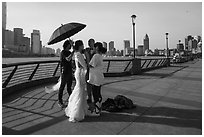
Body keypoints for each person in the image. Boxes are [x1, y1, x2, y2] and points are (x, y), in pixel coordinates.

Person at [65, 40, 88, 122]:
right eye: (82, 45)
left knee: (79, 90)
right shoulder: (79, 54)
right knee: (79, 91)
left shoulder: (77, 54)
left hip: (79, 73)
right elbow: (84, 65)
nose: (83, 46)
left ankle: (78, 110)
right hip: (80, 74)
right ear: (80, 46)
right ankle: (76, 113)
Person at [87, 42, 107, 116]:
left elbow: (91, 65)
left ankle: (97, 111)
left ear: (96, 48)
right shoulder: (100, 56)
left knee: (95, 94)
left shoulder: (95, 56)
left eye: (94, 47)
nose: (93, 49)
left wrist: (87, 58)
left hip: (95, 77)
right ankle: (98, 108)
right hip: (99, 76)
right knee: (98, 93)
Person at [58, 39, 74, 108]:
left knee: (69, 87)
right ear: (67, 45)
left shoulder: (69, 52)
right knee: (62, 87)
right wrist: (73, 52)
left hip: (70, 71)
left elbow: (70, 61)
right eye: (70, 44)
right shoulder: (63, 52)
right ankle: (60, 101)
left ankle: (72, 100)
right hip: (64, 71)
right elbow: (68, 59)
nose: (70, 46)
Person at [84, 39, 96, 109]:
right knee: (88, 84)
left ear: (93, 43)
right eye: (88, 42)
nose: (89, 44)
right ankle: (89, 98)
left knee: (94, 85)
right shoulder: (86, 50)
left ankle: (95, 99)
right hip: (88, 70)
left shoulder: (96, 51)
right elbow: (78, 50)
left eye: (90, 42)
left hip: (94, 70)